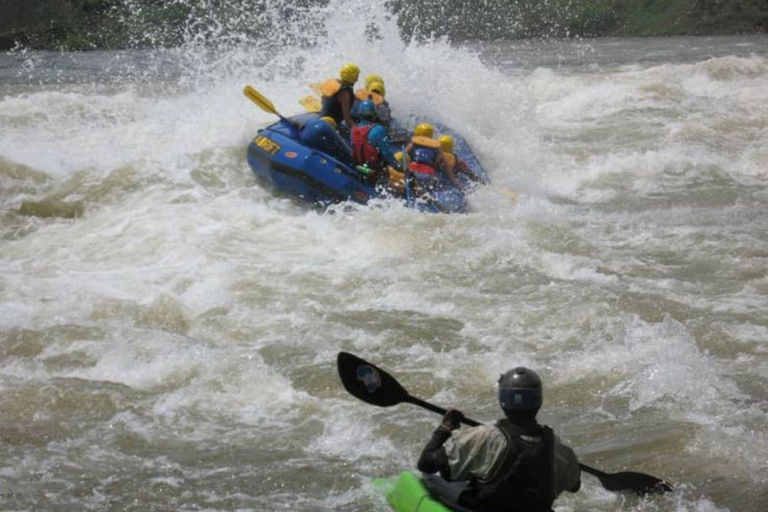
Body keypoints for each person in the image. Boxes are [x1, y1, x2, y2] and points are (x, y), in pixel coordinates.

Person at [417, 367, 581, 512]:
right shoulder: (559, 449)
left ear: (504, 401)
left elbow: (426, 463)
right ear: (538, 400)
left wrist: (445, 429)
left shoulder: (485, 436)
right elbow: (575, 486)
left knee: (429, 478)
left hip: (489, 508)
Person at [350, 100, 399, 185]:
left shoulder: (353, 130)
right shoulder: (378, 130)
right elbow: (387, 153)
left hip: (359, 168)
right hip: (375, 172)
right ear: (374, 115)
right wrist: (398, 166)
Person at [405, 123, 454, 191]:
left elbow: (405, 157)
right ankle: (424, 192)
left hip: (414, 171)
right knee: (435, 182)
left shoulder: (412, 145)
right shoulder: (437, 150)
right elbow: (448, 171)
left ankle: (417, 187)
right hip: (429, 174)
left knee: (410, 177)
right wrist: (456, 183)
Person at [320, 63, 360, 136]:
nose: (357, 79)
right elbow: (347, 118)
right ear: (352, 78)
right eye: (356, 76)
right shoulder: (345, 94)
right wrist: (359, 131)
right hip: (330, 124)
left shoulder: (334, 84)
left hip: (321, 118)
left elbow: (323, 99)